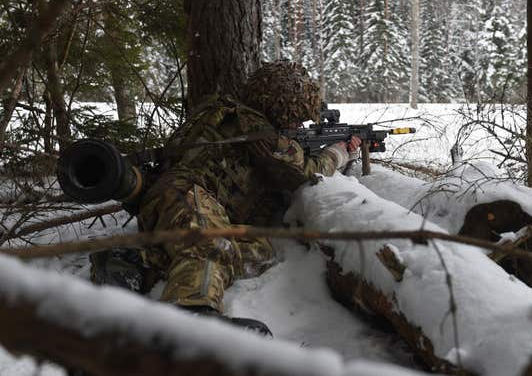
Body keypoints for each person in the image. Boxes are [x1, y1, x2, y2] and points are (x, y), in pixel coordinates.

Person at [111, 61, 360, 334]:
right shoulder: (258, 130)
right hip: (188, 196)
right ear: (280, 106)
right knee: (210, 246)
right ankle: (191, 317)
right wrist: (338, 153)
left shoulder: (222, 112)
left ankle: (137, 265)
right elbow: (305, 172)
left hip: (167, 201)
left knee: (260, 249)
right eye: (295, 117)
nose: (298, 124)